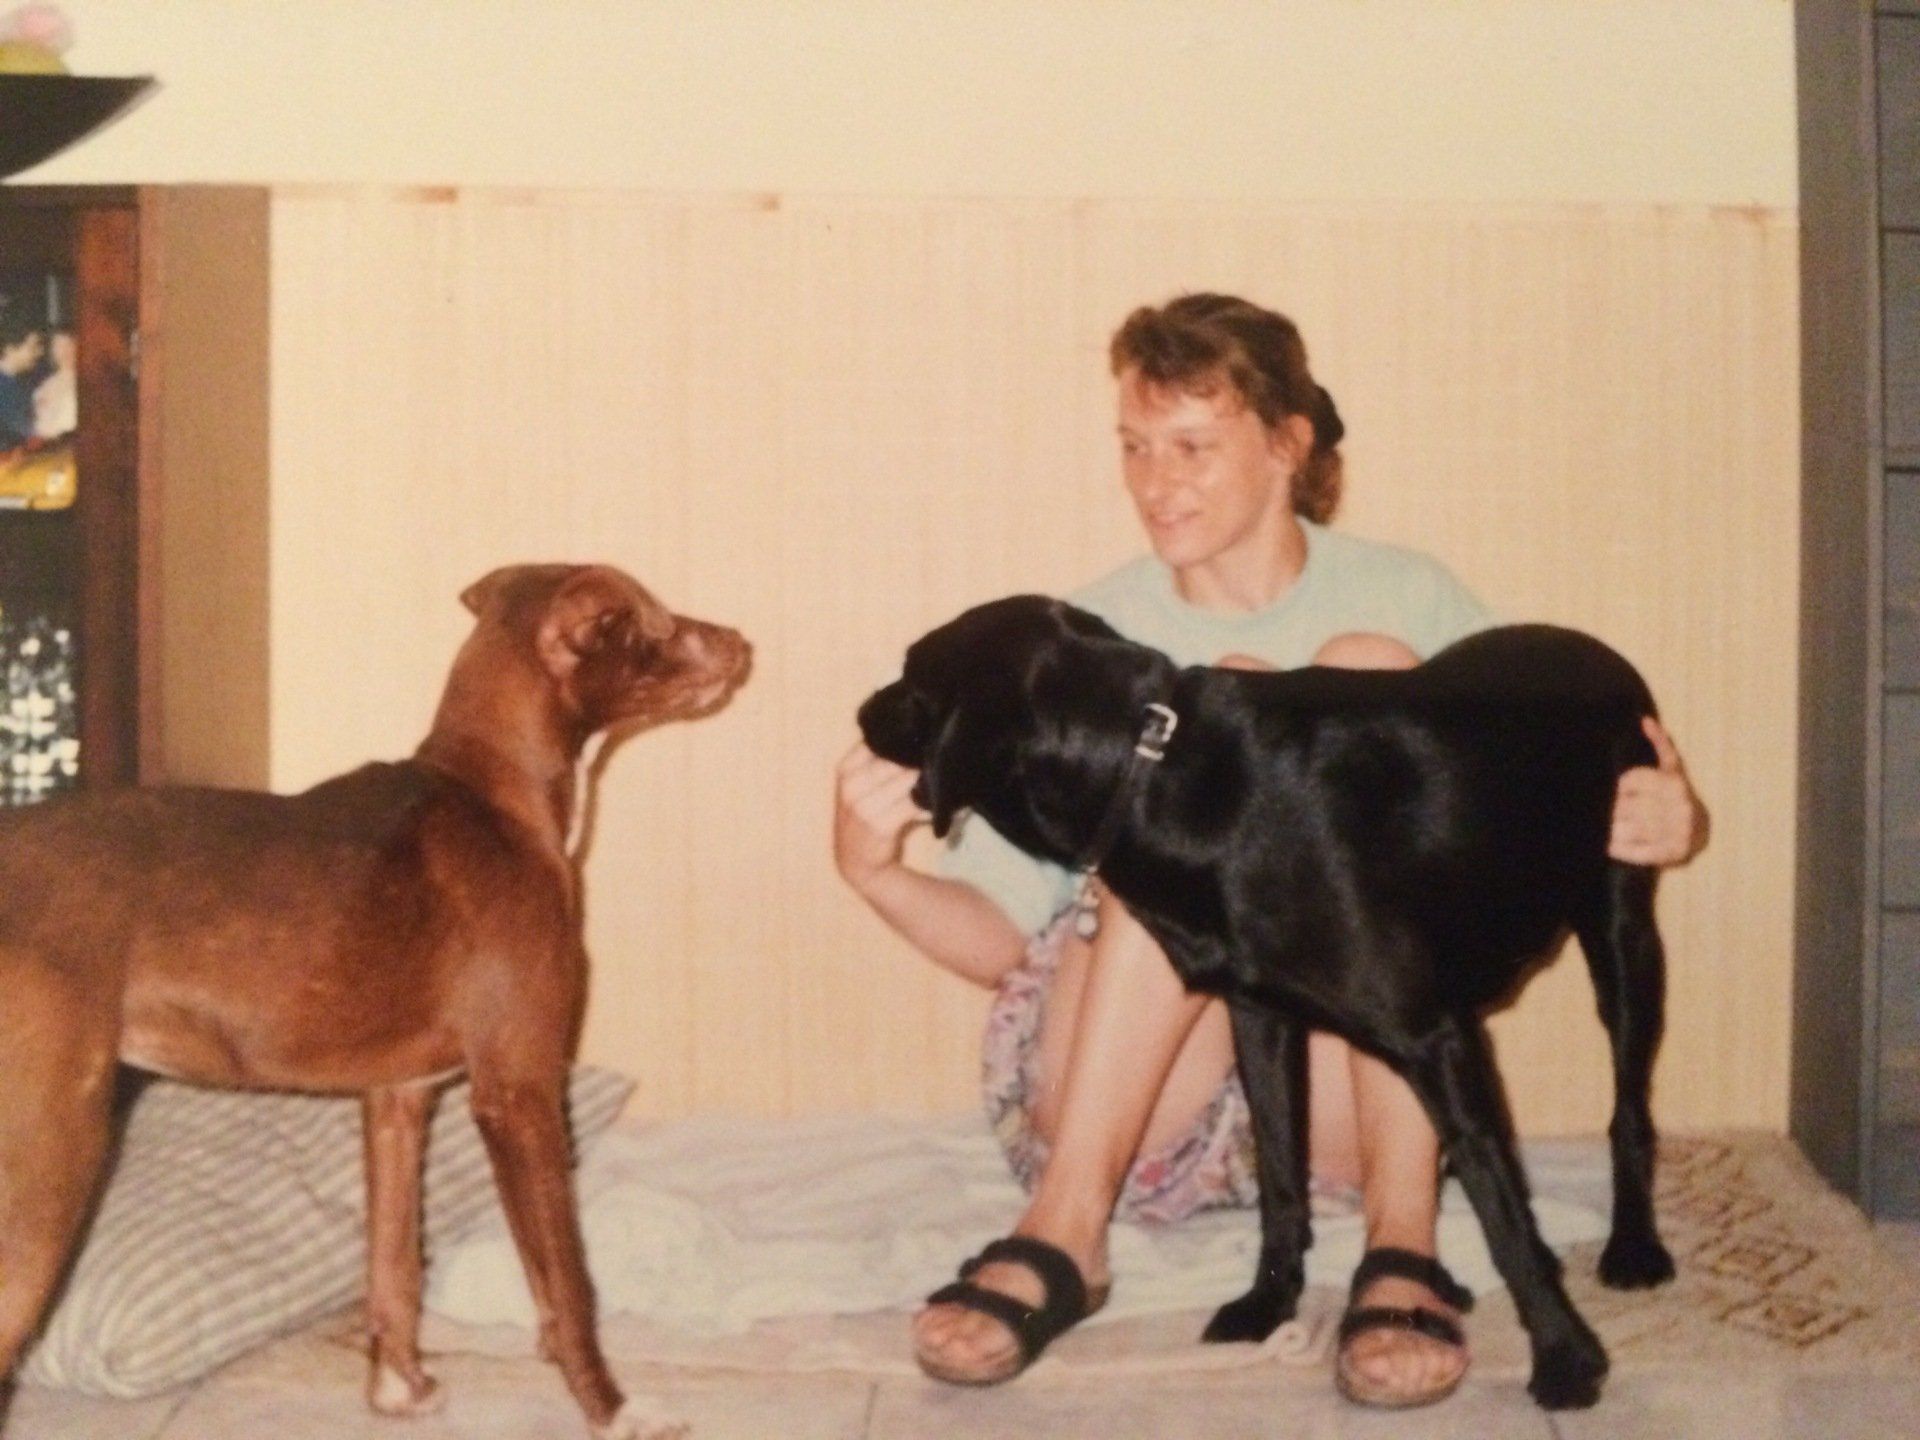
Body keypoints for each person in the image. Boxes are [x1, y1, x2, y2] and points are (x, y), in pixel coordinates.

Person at [833, 292, 1707, 1408]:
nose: (1155, 483)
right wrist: (875, 874)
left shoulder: (1409, 595)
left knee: (1370, 671)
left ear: (1288, 446)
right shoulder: (1085, 641)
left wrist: (1659, 816)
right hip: (1133, 1097)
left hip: (1334, 1093)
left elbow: (1507, 809)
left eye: (1192, 447)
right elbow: (1006, 936)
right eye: (1135, 447)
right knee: (1191, 757)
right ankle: (1064, 1232)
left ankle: (1402, 1243)